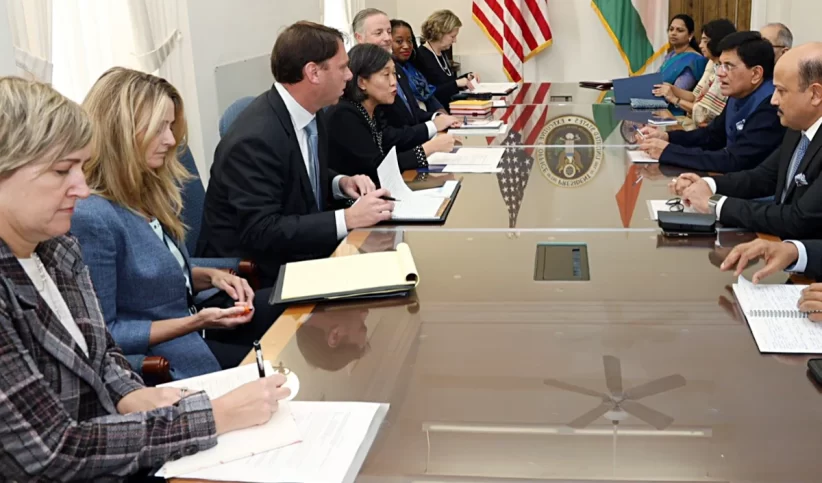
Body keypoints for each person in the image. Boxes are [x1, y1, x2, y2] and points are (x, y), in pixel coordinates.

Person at [0, 76, 290, 482]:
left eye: (81, 167)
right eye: (62, 170)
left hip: (120, 444)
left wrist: (132, 393)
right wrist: (212, 416)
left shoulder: (57, 248)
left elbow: (101, 350)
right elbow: (49, 452)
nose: (81, 188)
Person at [72, 67, 280, 377]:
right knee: (280, 367)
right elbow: (106, 333)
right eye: (160, 128)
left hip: (196, 328)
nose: (171, 140)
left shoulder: (147, 188)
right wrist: (195, 322)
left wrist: (210, 276)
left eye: (170, 126)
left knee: (296, 311)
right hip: (168, 356)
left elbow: (146, 278)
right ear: (120, 132)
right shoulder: (92, 217)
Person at [197, 22, 395, 287]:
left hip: (301, 252)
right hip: (255, 277)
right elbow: (263, 230)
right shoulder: (254, 139)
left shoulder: (311, 111)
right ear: (313, 72)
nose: (349, 76)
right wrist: (347, 218)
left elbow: (298, 173)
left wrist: (340, 183)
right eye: (342, 67)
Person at [669, 42, 822, 240]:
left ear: (815, 94)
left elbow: (799, 219)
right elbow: (763, 177)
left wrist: (715, 204)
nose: (774, 100)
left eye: (781, 91)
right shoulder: (797, 128)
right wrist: (709, 184)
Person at [640, 31, 783, 173]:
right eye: (720, 65)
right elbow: (712, 136)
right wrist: (667, 137)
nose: (720, 73)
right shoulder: (739, 93)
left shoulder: (771, 106)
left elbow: (735, 161)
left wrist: (669, 152)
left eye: (728, 66)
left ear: (756, 73)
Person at [326, 44, 456, 184]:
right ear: (362, 82)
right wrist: (429, 148)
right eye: (386, 75)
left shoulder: (375, 109)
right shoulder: (344, 115)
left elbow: (389, 150)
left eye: (394, 73)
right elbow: (378, 168)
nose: (394, 82)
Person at [352, 9, 459, 154]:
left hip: (416, 150)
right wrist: (432, 127)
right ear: (359, 38)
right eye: (378, 33)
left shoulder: (398, 68)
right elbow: (386, 135)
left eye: (389, 32)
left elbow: (412, 112)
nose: (387, 38)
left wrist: (438, 117)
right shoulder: (359, 77)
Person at [653, 19, 736, 124]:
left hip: (695, 121)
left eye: (705, 41)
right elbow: (695, 96)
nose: (700, 45)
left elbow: (703, 114)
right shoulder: (712, 63)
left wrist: (674, 99)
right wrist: (670, 87)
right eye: (671, 29)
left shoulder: (722, 70)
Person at [416, 9, 478, 108]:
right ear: (439, 33)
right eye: (452, 36)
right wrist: (456, 84)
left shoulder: (442, 52)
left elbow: (447, 83)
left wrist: (467, 77)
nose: (455, 40)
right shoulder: (421, 56)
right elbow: (428, 94)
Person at [391, 19, 442, 112]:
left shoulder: (413, 69)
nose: (406, 46)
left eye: (409, 41)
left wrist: (444, 115)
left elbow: (431, 100)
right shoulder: (390, 74)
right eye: (399, 41)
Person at [659, 14, 708, 93]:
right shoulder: (670, 55)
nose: (673, 33)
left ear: (690, 35)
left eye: (680, 30)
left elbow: (680, 89)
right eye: (671, 29)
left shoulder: (695, 60)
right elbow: (655, 78)